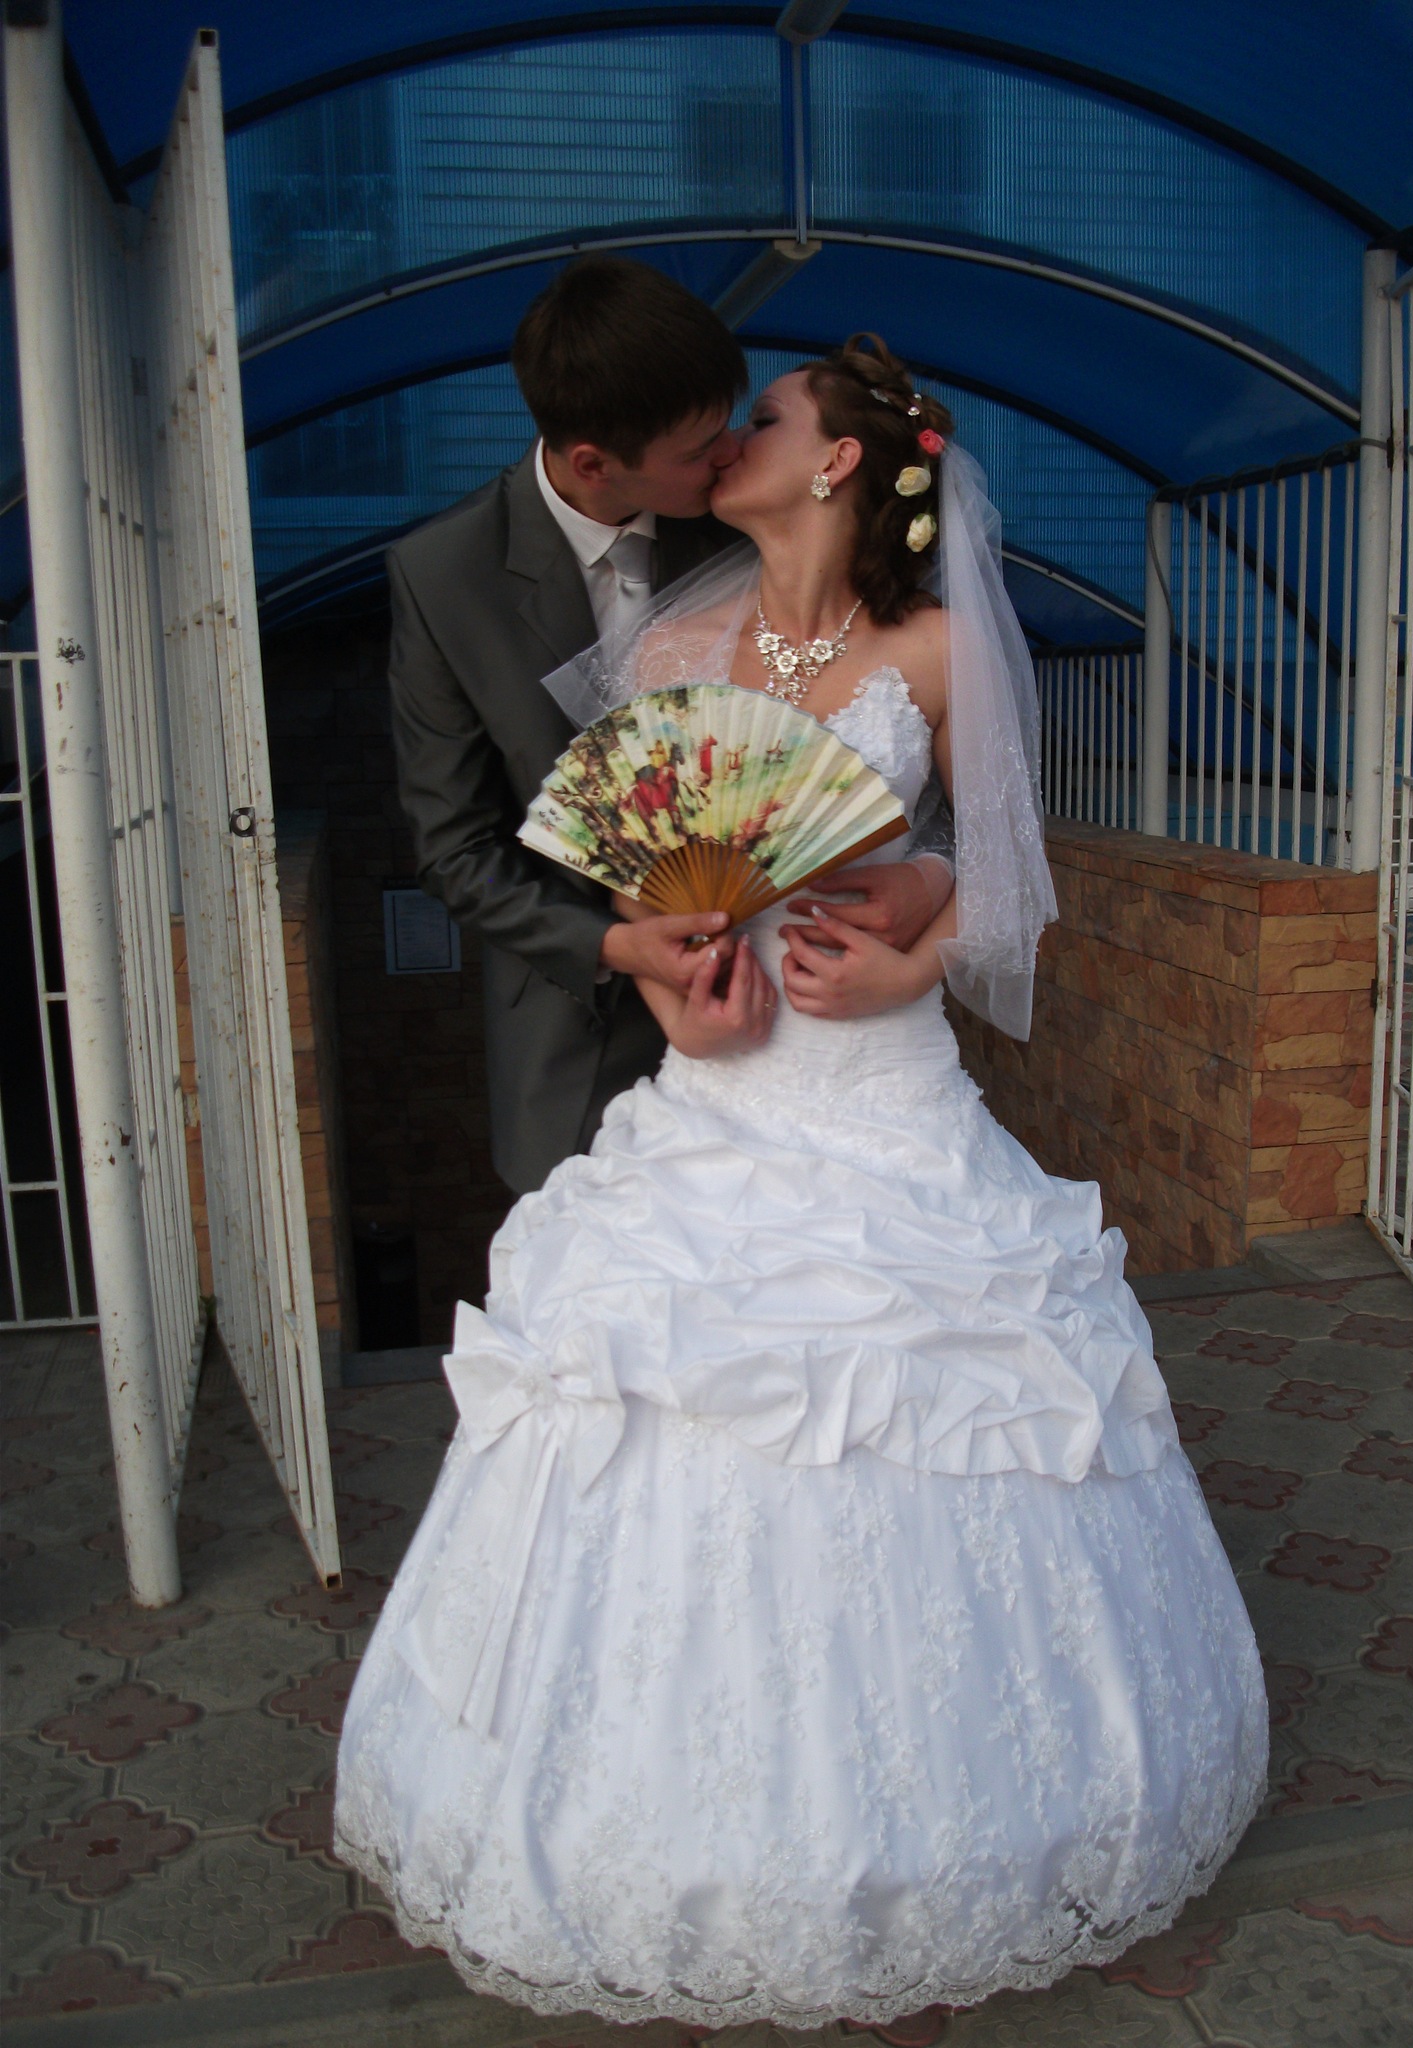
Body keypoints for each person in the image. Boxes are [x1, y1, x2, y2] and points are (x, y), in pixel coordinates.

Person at [336, 337, 1268, 2025]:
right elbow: (643, 873)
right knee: (665, 1402)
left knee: (935, 1401)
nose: (731, 434)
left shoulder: (937, 650)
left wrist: (913, 954)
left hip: (887, 1095)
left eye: (764, 415)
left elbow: (1010, 886)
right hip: (716, 1097)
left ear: (838, 460)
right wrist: (673, 994)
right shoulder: (667, 649)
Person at [388, 257, 949, 1195]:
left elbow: (944, 796)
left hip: (828, 1033)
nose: (728, 453)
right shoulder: (444, 577)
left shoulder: (754, 512)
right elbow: (456, 849)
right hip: (580, 1022)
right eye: (699, 447)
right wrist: (620, 949)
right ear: (594, 465)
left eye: (737, 424)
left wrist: (928, 878)